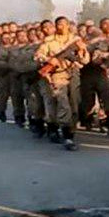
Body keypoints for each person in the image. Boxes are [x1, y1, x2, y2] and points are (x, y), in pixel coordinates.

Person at [34, 16, 89, 150]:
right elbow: (38, 56)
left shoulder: (76, 40)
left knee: (74, 104)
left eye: (64, 24)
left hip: (74, 73)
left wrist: (82, 51)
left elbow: (85, 60)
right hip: (58, 75)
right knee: (63, 103)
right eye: (59, 25)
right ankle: (67, 136)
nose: (62, 27)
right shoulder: (49, 41)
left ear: (68, 25)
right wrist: (48, 60)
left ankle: (71, 129)